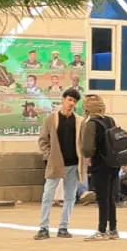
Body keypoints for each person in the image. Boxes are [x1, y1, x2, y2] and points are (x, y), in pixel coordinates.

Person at [34, 87, 82, 237]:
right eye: (69, 100)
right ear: (63, 100)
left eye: (74, 101)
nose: (71, 103)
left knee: (70, 196)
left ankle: (63, 227)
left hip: (73, 164)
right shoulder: (51, 119)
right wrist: (48, 155)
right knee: (48, 195)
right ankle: (44, 227)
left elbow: (82, 142)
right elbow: (43, 140)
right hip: (55, 163)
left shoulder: (79, 121)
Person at [79, 92, 126, 240]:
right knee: (111, 197)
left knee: (102, 197)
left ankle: (101, 230)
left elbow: (87, 149)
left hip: (100, 164)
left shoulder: (91, 124)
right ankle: (113, 229)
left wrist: (87, 155)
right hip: (114, 163)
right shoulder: (110, 120)